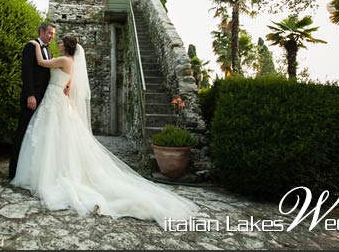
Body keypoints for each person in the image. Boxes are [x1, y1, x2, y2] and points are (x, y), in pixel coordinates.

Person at [11, 35, 199, 229]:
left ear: (66, 47)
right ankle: (52, 168)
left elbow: (41, 62)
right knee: (56, 139)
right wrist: (66, 85)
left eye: (60, 42)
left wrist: (34, 44)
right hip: (57, 99)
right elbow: (69, 82)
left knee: (51, 137)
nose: (57, 44)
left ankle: (50, 172)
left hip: (54, 100)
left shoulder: (63, 60)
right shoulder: (71, 62)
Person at [8, 23, 58, 179]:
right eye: (50, 33)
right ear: (41, 31)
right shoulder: (30, 46)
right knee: (23, 131)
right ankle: (14, 171)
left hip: (44, 99)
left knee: (34, 134)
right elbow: (27, 72)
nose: (52, 36)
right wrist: (30, 95)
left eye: (53, 34)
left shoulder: (48, 50)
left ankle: (28, 171)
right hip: (32, 98)